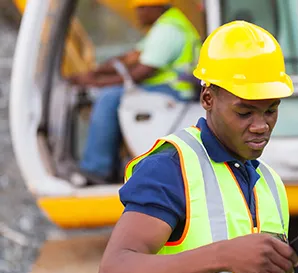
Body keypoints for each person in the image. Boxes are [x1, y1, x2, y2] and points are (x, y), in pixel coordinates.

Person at [98, 21, 298, 273]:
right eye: (244, 112)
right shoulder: (170, 167)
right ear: (208, 99)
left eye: (271, 110)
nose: (261, 126)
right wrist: (223, 256)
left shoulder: (270, 183)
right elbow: (114, 270)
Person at [69, 0, 201, 184]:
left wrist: (99, 83)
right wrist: (95, 74)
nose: (138, 15)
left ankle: (96, 168)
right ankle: (110, 166)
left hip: (173, 91)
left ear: (155, 7)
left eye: (141, 9)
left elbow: (142, 71)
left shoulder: (168, 30)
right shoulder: (167, 25)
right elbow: (132, 57)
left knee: (109, 98)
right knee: (111, 94)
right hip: (169, 89)